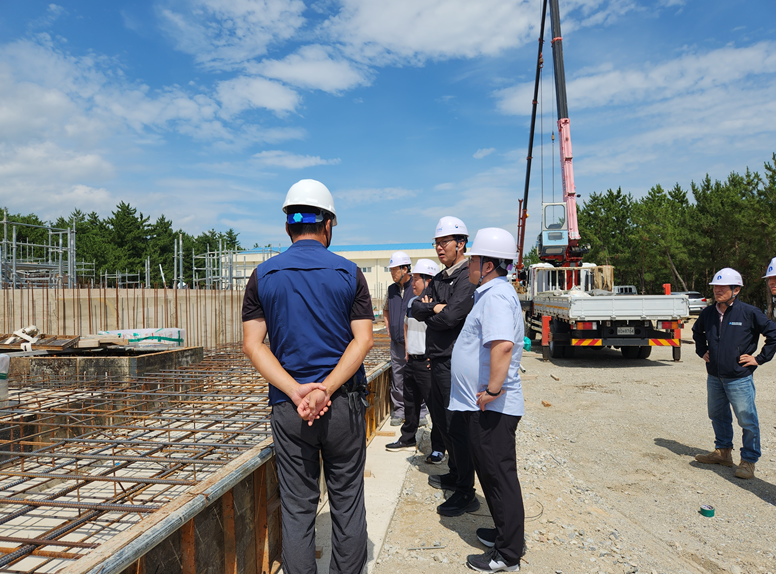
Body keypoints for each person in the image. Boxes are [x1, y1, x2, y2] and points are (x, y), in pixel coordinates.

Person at [242, 179, 375, 574]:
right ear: (328, 224)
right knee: (347, 500)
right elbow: (363, 340)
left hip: (290, 409)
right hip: (342, 406)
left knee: (298, 508)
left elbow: (253, 345)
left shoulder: (263, 276)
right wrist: (326, 389)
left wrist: (298, 391)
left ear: (288, 226)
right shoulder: (350, 273)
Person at [447, 228, 525, 572]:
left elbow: (502, 345)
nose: (469, 266)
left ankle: (508, 555)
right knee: (493, 475)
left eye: (474, 260)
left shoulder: (495, 297)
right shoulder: (492, 293)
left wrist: (493, 390)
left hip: (492, 406)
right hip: (486, 405)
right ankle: (503, 533)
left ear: (489, 264)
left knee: (498, 476)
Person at [411, 216, 478, 517]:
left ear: (460, 243)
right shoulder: (439, 279)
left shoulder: (466, 278)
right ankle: (454, 472)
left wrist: (434, 311)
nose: (439, 248)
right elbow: (415, 307)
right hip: (436, 360)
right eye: (436, 243)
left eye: (444, 242)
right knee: (442, 422)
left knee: (457, 426)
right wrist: (433, 308)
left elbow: (452, 318)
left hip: (455, 362)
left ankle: (466, 490)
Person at [692, 267, 776, 480]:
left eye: (723, 287)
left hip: (739, 378)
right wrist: (702, 351)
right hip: (715, 377)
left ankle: (748, 461)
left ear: (736, 289)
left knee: (747, 420)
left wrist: (758, 358)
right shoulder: (709, 312)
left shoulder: (749, 312)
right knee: (717, 415)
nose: (718, 290)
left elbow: (773, 334)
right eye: (715, 286)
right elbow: (696, 331)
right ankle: (723, 452)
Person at [386, 258, 445, 461]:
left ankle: (438, 447)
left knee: (434, 407)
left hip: (428, 363)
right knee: (410, 402)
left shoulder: (438, 304)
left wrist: (433, 355)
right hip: (412, 360)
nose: (413, 283)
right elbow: (406, 324)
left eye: (417, 279)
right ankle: (407, 438)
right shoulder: (413, 302)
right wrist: (408, 350)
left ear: (428, 280)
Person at [383, 251, 427, 426]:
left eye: (395, 270)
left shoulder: (416, 287)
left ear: (405, 269)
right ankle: (399, 410)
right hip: (396, 341)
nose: (392, 273)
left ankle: (421, 411)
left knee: (418, 375)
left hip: (415, 339)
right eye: (391, 270)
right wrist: (388, 325)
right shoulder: (391, 290)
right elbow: (386, 308)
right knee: (398, 377)